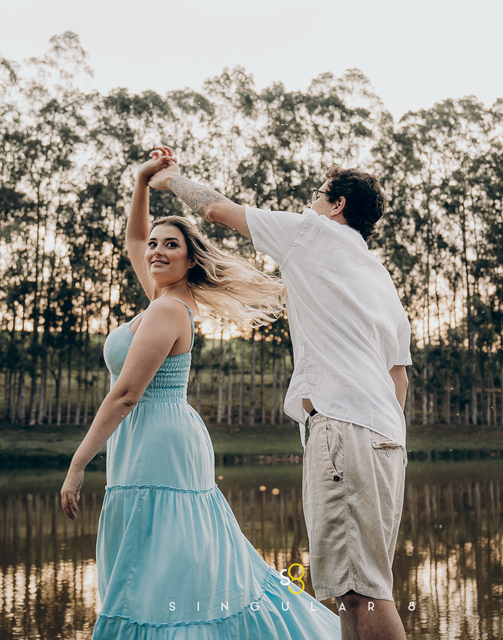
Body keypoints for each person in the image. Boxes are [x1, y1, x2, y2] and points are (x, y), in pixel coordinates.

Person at [60, 150, 341, 639]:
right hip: (151, 437)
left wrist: (78, 463)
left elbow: (126, 394)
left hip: (157, 439)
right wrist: (143, 182)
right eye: (154, 245)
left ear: (190, 260)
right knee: (154, 554)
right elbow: (132, 237)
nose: (155, 252)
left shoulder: (168, 310)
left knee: (161, 559)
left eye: (170, 246)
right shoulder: (161, 297)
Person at [150, 153, 412, 640]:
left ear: (336, 205)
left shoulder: (311, 234)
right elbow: (399, 378)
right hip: (383, 438)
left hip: (343, 429)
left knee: (363, 592)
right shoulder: (381, 278)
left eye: (317, 195)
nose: (308, 202)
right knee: (356, 590)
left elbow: (215, 210)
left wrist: (169, 180)